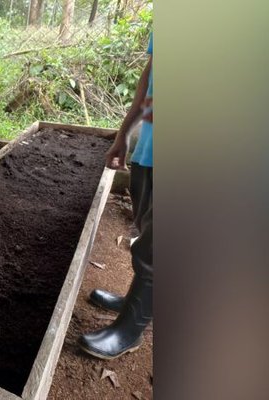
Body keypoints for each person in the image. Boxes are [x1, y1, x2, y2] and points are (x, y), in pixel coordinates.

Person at [79, 34, 153, 360]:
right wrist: (124, 134)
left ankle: (129, 331)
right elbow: (151, 76)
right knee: (145, 228)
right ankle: (137, 301)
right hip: (151, 149)